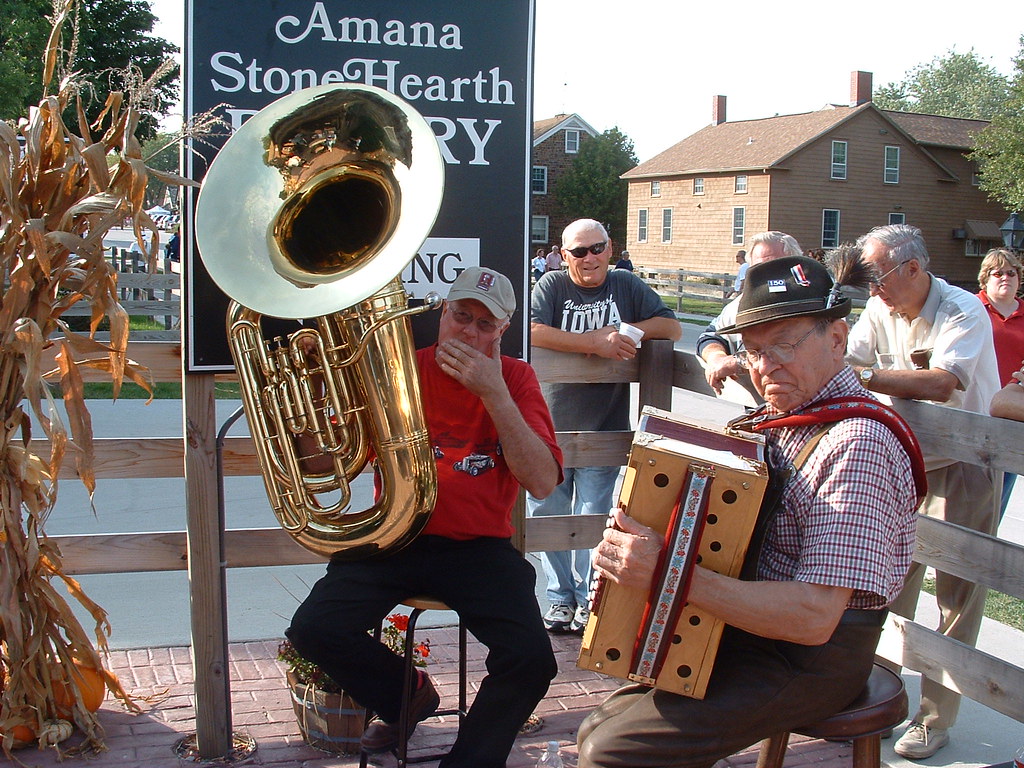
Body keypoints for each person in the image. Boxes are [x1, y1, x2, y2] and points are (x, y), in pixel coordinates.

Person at [577, 254, 921, 768]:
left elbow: (814, 618)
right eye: (754, 351)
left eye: (784, 344)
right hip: (748, 626)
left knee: (613, 753)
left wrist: (666, 572)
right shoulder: (782, 420)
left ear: (837, 339)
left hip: (811, 658)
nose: (765, 366)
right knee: (595, 729)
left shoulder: (858, 444)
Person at [287, 266, 563, 768]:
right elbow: (324, 468)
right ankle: (406, 695)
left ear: (502, 331)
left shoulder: (516, 378)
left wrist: (494, 393)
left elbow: (542, 481)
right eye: (461, 316)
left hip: (478, 548)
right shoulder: (398, 371)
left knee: (531, 661)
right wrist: (309, 405)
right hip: (393, 535)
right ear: (442, 313)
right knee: (313, 628)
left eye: (485, 324)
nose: (469, 332)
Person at [846, 223, 1000, 760]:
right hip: (903, 463)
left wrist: (865, 379)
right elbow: (849, 355)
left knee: (956, 598)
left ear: (913, 268)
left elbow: (940, 382)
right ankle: (879, 702)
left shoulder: (964, 310)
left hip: (964, 466)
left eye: (878, 276)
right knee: (887, 585)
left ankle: (934, 720)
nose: (872, 289)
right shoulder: (877, 307)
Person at [530, 218, 681, 634]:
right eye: (579, 252)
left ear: (609, 248)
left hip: (605, 427)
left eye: (596, 248)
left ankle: (588, 598)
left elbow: (670, 326)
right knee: (547, 513)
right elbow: (531, 329)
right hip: (549, 429)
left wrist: (623, 332)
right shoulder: (552, 286)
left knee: (596, 516)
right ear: (564, 256)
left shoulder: (625, 284)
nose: (589, 258)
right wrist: (593, 343)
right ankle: (559, 596)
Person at [697, 232, 803, 395]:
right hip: (762, 405)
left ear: (796, 264)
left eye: (774, 266)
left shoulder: (813, 300)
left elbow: (797, 351)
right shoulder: (743, 303)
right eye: (757, 268)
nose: (766, 274)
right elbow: (710, 336)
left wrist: (739, 361)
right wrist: (717, 358)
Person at [976, 248, 1024, 516]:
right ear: (985, 278)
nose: (1005, 277)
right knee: (972, 494)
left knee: (999, 498)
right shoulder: (972, 308)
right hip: (976, 409)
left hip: (1012, 415)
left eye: (1011, 273)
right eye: (997, 273)